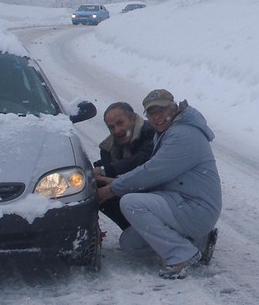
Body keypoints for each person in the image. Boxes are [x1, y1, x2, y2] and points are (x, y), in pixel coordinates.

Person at [97, 89, 221, 279]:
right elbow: (155, 175)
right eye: (152, 113)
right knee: (130, 243)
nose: (157, 117)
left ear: (174, 107)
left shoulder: (183, 134)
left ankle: (181, 254)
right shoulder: (166, 132)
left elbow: (152, 171)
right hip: (181, 202)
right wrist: (117, 182)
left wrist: (114, 188)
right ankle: (199, 243)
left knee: (131, 203)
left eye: (161, 110)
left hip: (196, 207)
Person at [93, 101, 156, 230]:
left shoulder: (151, 133)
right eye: (111, 127)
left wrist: (104, 170)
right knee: (92, 188)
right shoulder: (108, 148)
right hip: (133, 188)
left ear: (132, 118)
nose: (116, 130)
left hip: (157, 191)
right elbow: (114, 164)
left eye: (120, 123)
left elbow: (140, 160)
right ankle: (132, 230)